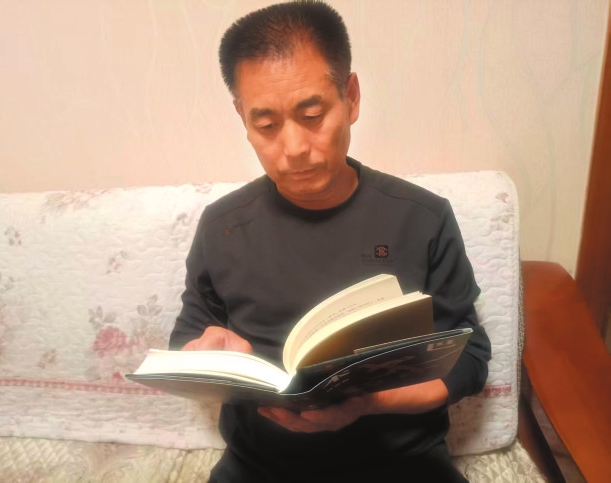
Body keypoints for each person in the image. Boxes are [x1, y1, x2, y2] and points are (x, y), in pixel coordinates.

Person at [169, 2, 491, 481]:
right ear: (242, 116)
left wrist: (368, 402)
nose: (294, 148)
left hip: (402, 463)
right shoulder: (223, 226)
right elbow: (188, 336)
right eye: (267, 125)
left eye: (312, 115)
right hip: (259, 467)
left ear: (351, 97)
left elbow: (468, 356)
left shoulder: (421, 217)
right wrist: (203, 352)